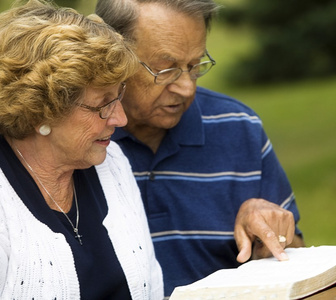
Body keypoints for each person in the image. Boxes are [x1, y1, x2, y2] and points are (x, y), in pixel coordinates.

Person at [95, 0, 305, 296]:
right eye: (166, 69)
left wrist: (269, 234)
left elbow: (295, 250)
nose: (186, 87)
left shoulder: (238, 126)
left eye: (195, 66)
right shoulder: (81, 138)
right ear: (110, 56)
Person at [0, 0, 163, 299]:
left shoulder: (111, 161)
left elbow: (150, 284)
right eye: (103, 104)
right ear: (42, 111)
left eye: (119, 97)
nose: (120, 119)